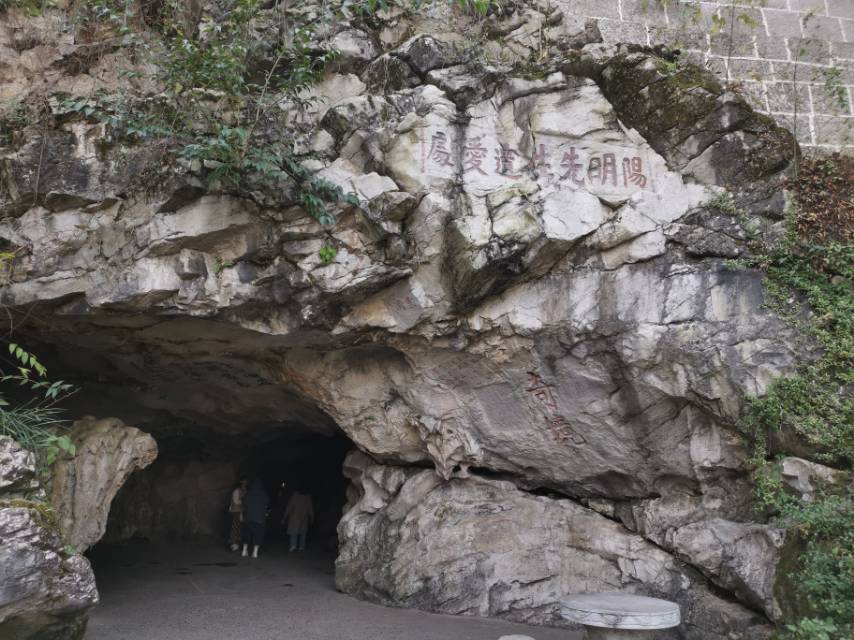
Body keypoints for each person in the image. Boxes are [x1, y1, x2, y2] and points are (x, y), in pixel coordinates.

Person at [241, 478, 269, 558]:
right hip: (260, 519)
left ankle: (244, 551)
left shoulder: (248, 493)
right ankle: (255, 552)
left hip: (248, 518)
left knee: (247, 534)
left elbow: (244, 504)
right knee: (258, 535)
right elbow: (267, 505)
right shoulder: (264, 494)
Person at [228, 478, 247, 552]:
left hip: (241, 511)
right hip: (236, 511)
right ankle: (233, 544)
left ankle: (237, 544)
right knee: (235, 528)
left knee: (239, 528)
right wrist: (244, 501)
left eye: (246, 482)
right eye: (244, 482)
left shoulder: (244, 490)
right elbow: (236, 502)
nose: (245, 483)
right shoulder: (237, 490)